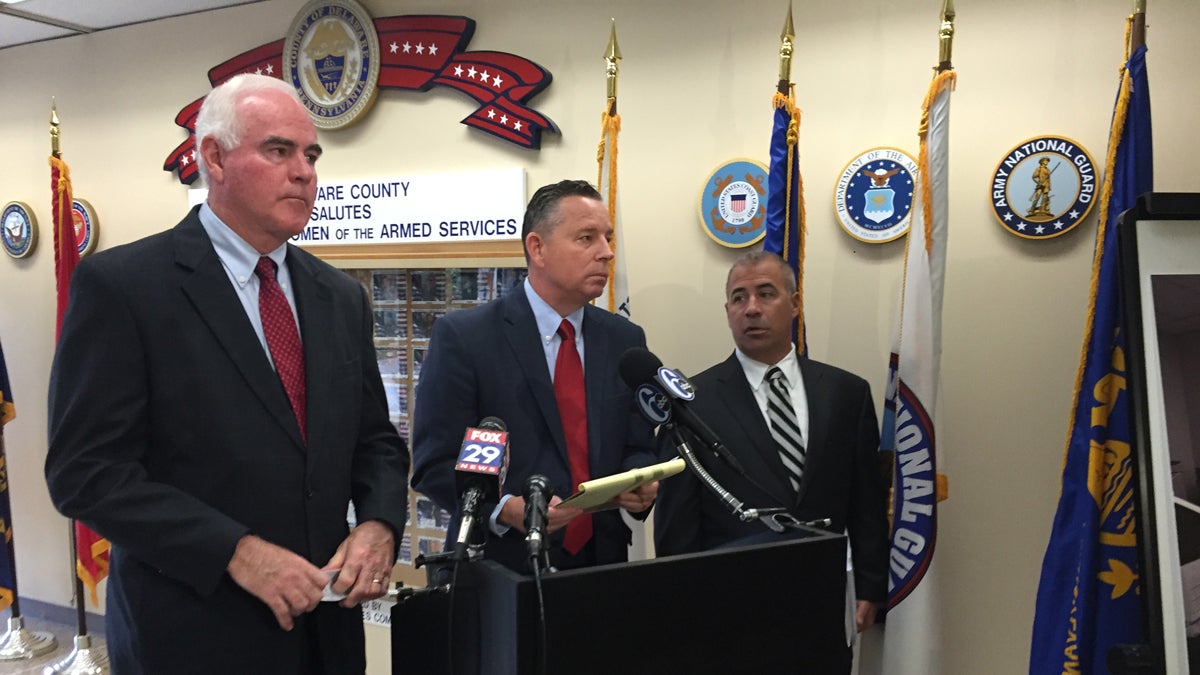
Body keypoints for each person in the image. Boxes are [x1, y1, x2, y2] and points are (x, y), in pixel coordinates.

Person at [44, 74, 409, 674]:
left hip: (327, 635)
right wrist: (234, 552)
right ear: (213, 156)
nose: (304, 172)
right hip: (194, 635)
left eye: (311, 155)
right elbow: (84, 472)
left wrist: (378, 523)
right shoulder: (126, 288)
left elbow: (374, 441)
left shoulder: (339, 296)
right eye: (278, 150)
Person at [653, 251, 887, 670]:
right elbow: (677, 528)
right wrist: (681, 610)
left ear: (795, 304)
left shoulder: (845, 393)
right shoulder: (691, 403)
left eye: (766, 294)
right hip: (729, 615)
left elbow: (865, 502)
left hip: (825, 605)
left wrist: (870, 585)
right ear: (727, 312)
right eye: (739, 298)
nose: (752, 309)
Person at [412, 179, 658, 573]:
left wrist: (640, 480)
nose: (607, 253)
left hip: (602, 564)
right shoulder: (467, 337)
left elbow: (639, 444)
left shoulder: (624, 340)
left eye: (608, 238)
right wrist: (505, 509)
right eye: (586, 238)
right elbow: (436, 463)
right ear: (537, 248)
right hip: (498, 568)